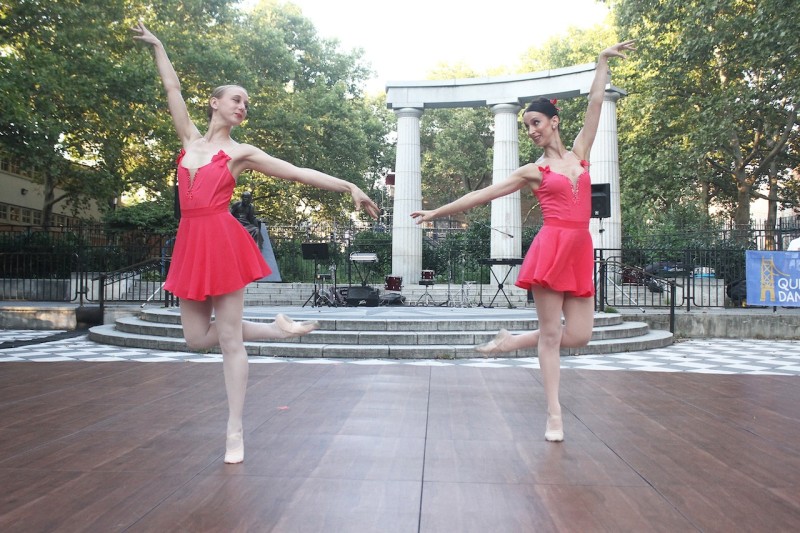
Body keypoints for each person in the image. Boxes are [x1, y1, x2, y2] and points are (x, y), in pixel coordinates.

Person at [132, 22, 380, 464]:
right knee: (194, 338)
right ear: (215, 103)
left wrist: (349, 187)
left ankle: (234, 430)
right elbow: (171, 90)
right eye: (237, 99)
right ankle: (276, 328)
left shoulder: (241, 153)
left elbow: (298, 172)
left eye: (246, 102)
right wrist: (159, 46)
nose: (243, 106)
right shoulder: (189, 140)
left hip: (222, 239)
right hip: (192, 242)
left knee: (229, 339)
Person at [411, 41, 635, 443]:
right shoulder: (534, 170)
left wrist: (601, 63)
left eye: (535, 122)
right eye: (527, 125)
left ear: (554, 121)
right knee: (551, 335)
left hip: (580, 248)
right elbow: (484, 195)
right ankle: (554, 414)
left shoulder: (581, 155)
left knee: (581, 335)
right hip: (551, 248)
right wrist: (435, 212)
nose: (531, 130)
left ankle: (511, 341)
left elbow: (596, 105)